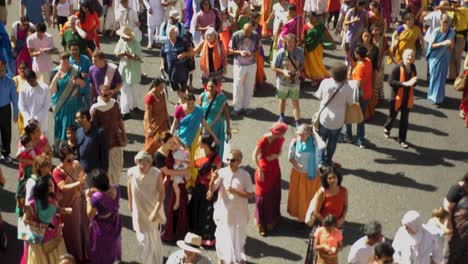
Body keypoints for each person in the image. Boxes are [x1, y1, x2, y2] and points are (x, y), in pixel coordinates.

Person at [207, 149, 254, 264]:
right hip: (224, 214)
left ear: (239, 161)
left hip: (239, 215)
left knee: (238, 239)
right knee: (222, 237)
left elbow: (251, 195)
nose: (229, 162)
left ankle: (237, 259)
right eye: (227, 159)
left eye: (232, 160)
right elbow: (212, 189)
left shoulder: (245, 175)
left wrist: (235, 192)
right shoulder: (222, 172)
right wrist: (212, 180)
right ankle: (223, 259)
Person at [170, 93, 220, 187]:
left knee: (195, 158)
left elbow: (205, 124)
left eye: (192, 103)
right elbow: (174, 124)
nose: (190, 106)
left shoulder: (199, 111)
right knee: (184, 159)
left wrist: (214, 136)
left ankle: (193, 180)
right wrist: (170, 134)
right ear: (184, 102)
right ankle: (186, 181)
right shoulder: (179, 109)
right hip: (182, 139)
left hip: (195, 138)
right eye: (188, 103)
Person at [52, 145, 89, 263]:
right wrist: (78, 184)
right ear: (61, 160)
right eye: (68, 160)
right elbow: (63, 187)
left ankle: (85, 253)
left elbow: (83, 178)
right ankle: (74, 256)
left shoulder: (76, 164)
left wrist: (82, 184)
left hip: (79, 201)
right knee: (72, 230)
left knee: (83, 227)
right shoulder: (57, 172)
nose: (72, 161)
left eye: (73, 158)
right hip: (68, 204)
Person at [127, 151, 165, 264]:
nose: (141, 166)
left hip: (151, 210)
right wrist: (130, 203)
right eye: (139, 163)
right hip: (138, 211)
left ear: (150, 163)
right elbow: (129, 186)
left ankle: (152, 261)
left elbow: (162, 193)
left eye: (144, 163)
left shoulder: (156, 173)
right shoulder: (131, 172)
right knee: (143, 239)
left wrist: (155, 211)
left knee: (152, 238)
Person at [305, 166, 348, 264]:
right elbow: (316, 212)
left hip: (337, 223)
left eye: (335, 177)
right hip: (323, 225)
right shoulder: (322, 192)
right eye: (330, 178)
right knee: (318, 252)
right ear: (326, 180)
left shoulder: (343, 191)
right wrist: (327, 224)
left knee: (334, 249)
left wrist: (342, 219)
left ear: (338, 178)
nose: (333, 180)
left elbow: (345, 206)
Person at [22, 176, 68, 263]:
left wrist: (64, 210)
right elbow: (25, 220)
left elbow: (55, 211)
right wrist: (41, 225)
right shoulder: (33, 203)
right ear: (43, 188)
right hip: (41, 238)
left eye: (53, 184)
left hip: (55, 232)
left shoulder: (53, 198)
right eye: (50, 185)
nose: (53, 187)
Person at [314, 63, 353, 167]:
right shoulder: (347, 88)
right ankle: (328, 160)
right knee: (333, 141)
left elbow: (318, 95)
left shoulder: (325, 82)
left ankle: (320, 162)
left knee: (321, 140)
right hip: (338, 120)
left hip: (325, 118)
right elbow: (351, 103)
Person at [252, 122, 287, 236]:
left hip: (274, 168)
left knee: (273, 193)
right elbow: (254, 155)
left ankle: (272, 219)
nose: (283, 136)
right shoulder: (263, 140)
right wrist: (259, 170)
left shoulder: (280, 139)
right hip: (263, 170)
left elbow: (280, 151)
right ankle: (261, 223)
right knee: (262, 197)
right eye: (282, 133)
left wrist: (276, 156)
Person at [154, 132, 190, 242]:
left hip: (177, 179)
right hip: (166, 183)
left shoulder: (172, 149)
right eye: (169, 142)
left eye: (172, 142)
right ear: (163, 143)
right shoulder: (158, 155)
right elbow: (166, 171)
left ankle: (178, 230)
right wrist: (183, 171)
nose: (171, 144)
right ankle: (166, 232)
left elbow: (182, 146)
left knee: (181, 204)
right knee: (167, 207)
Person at [188, 134, 222, 246]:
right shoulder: (200, 152)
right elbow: (194, 164)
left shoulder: (216, 159)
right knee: (196, 210)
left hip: (208, 189)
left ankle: (206, 238)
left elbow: (217, 175)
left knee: (205, 213)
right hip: (198, 187)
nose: (197, 143)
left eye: (199, 142)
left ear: (205, 145)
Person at [90, 85, 128, 185]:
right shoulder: (95, 110)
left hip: (116, 142)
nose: (107, 96)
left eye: (109, 94)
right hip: (104, 146)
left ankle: (115, 188)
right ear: (100, 94)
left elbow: (119, 120)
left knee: (117, 169)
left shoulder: (115, 104)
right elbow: (94, 130)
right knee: (107, 172)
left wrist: (124, 136)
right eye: (105, 94)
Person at [50, 53, 87, 150]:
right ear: (60, 61)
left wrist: (79, 82)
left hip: (75, 104)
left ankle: (76, 147)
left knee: (75, 125)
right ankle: (61, 148)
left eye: (67, 61)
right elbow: (52, 91)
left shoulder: (75, 70)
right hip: (61, 105)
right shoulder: (54, 72)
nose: (66, 64)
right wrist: (55, 80)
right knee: (62, 126)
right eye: (63, 61)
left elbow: (83, 85)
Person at [383, 49, 418, 149]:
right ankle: (387, 127)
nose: (410, 58)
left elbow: (414, 81)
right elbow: (390, 81)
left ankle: (402, 139)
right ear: (403, 56)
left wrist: (414, 82)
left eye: (412, 56)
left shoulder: (413, 67)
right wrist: (403, 84)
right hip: (397, 98)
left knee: (404, 120)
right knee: (392, 116)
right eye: (408, 56)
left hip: (407, 98)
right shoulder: (397, 68)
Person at [86, 169, 122, 263]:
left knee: (101, 250)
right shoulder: (116, 188)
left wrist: (88, 198)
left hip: (102, 227)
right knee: (113, 246)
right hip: (114, 221)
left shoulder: (97, 197)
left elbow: (90, 214)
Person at [287, 124, 320, 223]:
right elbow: (290, 157)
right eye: (299, 134)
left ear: (309, 134)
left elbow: (322, 149)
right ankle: (301, 218)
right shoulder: (295, 142)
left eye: (303, 135)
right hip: (298, 175)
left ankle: (313, 216)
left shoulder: (315, 142)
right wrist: (296, 164)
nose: (300, 137)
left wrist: (315, 133)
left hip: (312, 174)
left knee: (311, 196)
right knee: (300, 197)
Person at [272, 33, 304, 127]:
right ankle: (281, 117)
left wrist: (298, 71)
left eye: (292, 42)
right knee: (283, 99)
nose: (290, 44)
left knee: (295, 101)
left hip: (295, 81)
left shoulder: (299, 51)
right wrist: (283, 72)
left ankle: (297, 121)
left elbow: (302, 64)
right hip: (283, 81)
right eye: (288, 42)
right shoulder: (281, 52)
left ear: (295, 43)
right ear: (285, 42)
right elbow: (273, 67)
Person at [229, 21, 260, 117]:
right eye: (246, 32)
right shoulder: (236, 35)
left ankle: (246, 106)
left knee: (249, 85)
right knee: (238, 85)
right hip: (239, 64)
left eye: (250, 32)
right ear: (243, 29)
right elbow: (230, 50)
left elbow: (258, 47)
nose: (248, 34)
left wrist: (254, 53)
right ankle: (237, 107)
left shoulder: (255, 35)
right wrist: (240, 52)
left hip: (252, 64)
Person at [345, 46, 373, 149]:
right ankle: (360, 140)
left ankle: (348, 136)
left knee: (348, 114)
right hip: (367, 94)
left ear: (357, 55)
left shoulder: (360, 68)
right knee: (361, 118)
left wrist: (349, 78)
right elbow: (356, 64)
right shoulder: (368, 62)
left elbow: (359, 84)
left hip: (358, 95)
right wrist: (348, 56)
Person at [198, 79, 231, 160]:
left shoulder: (222, 98)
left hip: (218, 127)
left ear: (217, 87)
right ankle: (206, 164)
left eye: (212, 87)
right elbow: (198, 112)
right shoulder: (202, 96)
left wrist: (228, 128)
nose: (210, 88)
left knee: (218, 147)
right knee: (206, 146)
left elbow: (227, 114)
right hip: (206, 128)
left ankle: (217, 163)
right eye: (208, 86)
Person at [75, 108, 109, 187]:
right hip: (82, 172)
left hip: (95, 173)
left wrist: (103, 174)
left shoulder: (99, 133)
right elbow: (78, 152)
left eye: (77, 118)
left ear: (85, 118)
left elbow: (104, 155)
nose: (76, 121)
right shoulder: (78, 132)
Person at [426, 14, 455, 107]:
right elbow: (432, 46)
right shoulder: (436, 31)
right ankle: (433, 96)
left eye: (447, 22)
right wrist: (443, 43)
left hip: (444, 57)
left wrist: (450, 45)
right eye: (444, 22)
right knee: (434, 77)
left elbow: (451, 47)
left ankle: (438, 98)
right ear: (440, 22)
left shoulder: (451, 32)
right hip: (435, 58)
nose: (445, 24)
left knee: (441, 78)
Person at [160, 25, 194, 103]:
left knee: (183, 88)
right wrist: (162, 64)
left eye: (172, 33)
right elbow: (162, 55)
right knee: (176, 88)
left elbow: (192, 52)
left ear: (177, 34)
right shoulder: (165, 43)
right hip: (171, 71)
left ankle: (184, 103)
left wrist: (184, 54)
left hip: (182, 70)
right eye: (169, 33)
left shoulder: (183, 41)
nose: (170, 35)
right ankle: (183, 101)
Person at [114, 26, 142, 118]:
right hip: (124, 69)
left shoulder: (136, 44)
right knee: (124, 90)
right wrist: (123, 53)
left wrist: (130, 56)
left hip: (134, 69)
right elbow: (116, 53)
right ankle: (125, 111)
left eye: (124, 36)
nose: (122, 38)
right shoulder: (121, 41)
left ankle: (135, 106)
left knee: (134, 89)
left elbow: (139, 58)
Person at [303, 12, 333, 85]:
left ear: (316, 17)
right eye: (309, 17)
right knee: (310, 63)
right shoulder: (306, 26)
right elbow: (303, 37)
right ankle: (314, 78)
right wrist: (303, 47)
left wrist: (332, 42)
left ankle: (319, 77)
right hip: (308, 47)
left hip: (318, 48)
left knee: (318, 62)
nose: (311, 19)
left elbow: (327, 34)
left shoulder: (320, 26)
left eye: (312, 17)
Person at [18, 70, 51, 135]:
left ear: (36, 77)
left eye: (32, 81)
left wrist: (36, 119)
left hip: (41, 121)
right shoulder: (23, 88)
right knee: (30, 143)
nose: (31, 83)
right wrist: (29, 119)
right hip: (28, 122)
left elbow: (47, 105)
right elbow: (21, 105)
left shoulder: (44, 87)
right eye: (29, 82)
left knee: (42, 142)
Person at [143, 78, 170, 155]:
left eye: (163, 86)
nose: (162, 88)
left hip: (162, 121)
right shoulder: (149, 97)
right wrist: (149, 127)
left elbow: (165, 107)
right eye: (160, 86)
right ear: (155, 86)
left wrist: (167, 119)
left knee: (162, 140)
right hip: (153, 123)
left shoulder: (162, 93)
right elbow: (148, 112)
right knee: (151, 142)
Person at [0, 59, 19, 163]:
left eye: (2, 70)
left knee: (6, 132)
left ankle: (6, 153)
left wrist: (16, 113)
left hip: (5, 109)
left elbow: (14, 99)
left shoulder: (10, 81)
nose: (1, 72)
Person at [343, 0, 368, 65]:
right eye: (362, 6)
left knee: (356, 48)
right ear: (358, 5)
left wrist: (365, 31)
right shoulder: (351, 11)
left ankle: (353, 62)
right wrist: (353, 20)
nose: (363, 8)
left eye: (364, 6)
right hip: (351, 33)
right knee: (349, 47)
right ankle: (347, 60)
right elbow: (345, 22)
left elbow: (366, 23)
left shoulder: (364, 12)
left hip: (359, 34)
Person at [69, 41, 92, 107]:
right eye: (73, 50)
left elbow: (92, 71)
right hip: (73, 89)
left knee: (88, 107)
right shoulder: (68, 61)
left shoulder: (86, 59)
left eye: (76, 49)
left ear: (79, 50)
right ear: (70, 51)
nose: (75, 51)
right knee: (76, 108)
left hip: (86, 88)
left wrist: (86, 74)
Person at [13, 62, 29, 135]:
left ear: (27, 69)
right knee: (23, 132)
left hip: (30, 108)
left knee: (30, 129)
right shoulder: (15, 79)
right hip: (20, 109)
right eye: (20, 68)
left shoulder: (30, 79)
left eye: (24, 68)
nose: (22, 70)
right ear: (18, 69)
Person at [172, 144, 189, 210]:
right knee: (175, 185)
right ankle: (177, 200)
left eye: (178, 160)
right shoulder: (175, 164)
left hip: (179, 178)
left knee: (175, 185)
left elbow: (187, 174)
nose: (177, 161)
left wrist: (187, 176)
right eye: (176, 160)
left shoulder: (183, 165)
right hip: (175, 177)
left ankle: (177, 201)